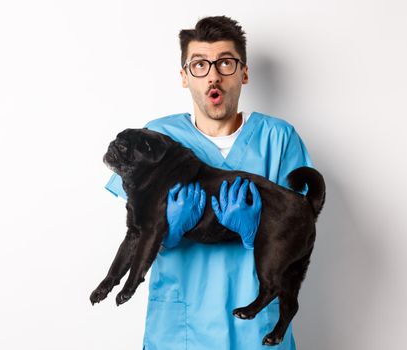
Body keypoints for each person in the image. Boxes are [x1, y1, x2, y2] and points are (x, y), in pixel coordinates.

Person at [104, 16, 313, 350]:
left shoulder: (278, 139)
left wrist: (254, 231)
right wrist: (169, 231)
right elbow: (136, 229)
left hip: (255, 334)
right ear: (185, 77)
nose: (213, 74)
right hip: (179, 332)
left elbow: (299, 231)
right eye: (200, 64)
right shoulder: (157, 137)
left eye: (225, 63)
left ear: (244, 72)